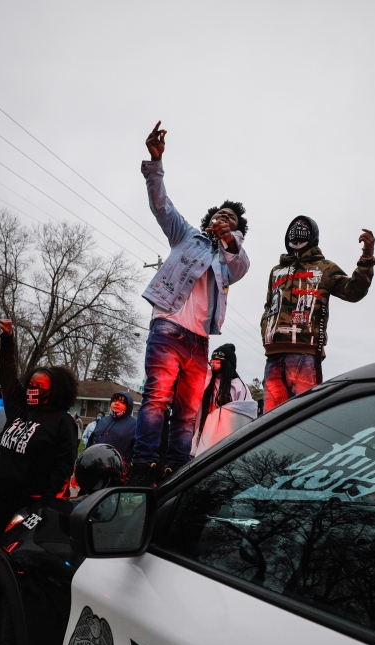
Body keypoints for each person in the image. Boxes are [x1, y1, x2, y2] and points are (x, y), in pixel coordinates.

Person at [130, 121, 251, 487]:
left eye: (229, 219)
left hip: (199, 340)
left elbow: (239, 266)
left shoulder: (233, 258)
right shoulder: (187, 236)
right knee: (156, 397)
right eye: (217, 216)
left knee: (186, 411)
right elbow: (161, 205)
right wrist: (155, 165)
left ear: (237, 230)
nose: (221, 220)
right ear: (206, 221)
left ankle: (177, 469)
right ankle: (143, 466)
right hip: (168, 327)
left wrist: (229, 241)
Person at [261, 216, 375, 411]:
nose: (298, 229)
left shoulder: (325, 268)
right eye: (294, 226)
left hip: (306, 353)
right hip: (273, 355)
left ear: (313, 234)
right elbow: (269, 304)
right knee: (270, 420)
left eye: (304, 227)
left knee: (303, 415)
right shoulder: (276, 270)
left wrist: (367, 256)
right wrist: (265, 329)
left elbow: (354, 291)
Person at [0, 319, 79, 531]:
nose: (32, 389)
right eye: (30, 384)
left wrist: (45, 505)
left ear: (54, 391)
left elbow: (63, 467)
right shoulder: (20, 409)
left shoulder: (62, 422)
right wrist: (7, 339)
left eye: (38, 387)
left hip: (31, 503)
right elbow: (8, 375)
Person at [192, 343, 257, 457]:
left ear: (228, 364)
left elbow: (244, 416)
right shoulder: (205, 382)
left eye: (220, 359)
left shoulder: (239, 387)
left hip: (228, 441)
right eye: (213, 359)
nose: (214, 362)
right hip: (201, 438)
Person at [85, 391, 136, 463]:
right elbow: (90, 443)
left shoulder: (134, 425)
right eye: (114, 400)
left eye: (122, 402)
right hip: (94, 464)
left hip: (117, 469)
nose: (117, 403)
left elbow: (137, 452)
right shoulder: (103, 421)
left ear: (128, 406)